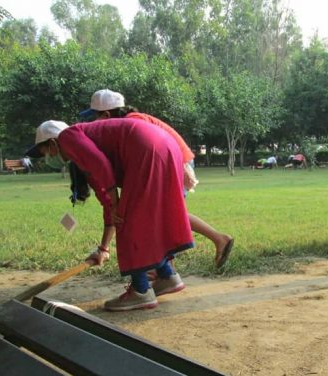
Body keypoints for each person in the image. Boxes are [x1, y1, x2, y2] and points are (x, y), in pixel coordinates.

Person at [27, 119, 193, 311]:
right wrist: (103, 248)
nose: (48, 158)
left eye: (46, 152)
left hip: (146, 148)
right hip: (165, 146)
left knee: (129, 220)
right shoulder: (85, 148)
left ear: (53, 143)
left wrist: (116, 203)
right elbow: (106, 199)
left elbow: (101, 167)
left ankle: (141, 291)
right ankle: (167, 276)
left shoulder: (67, 137)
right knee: (143, 219)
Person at [79, 89, 234, 269]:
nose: (92, 123)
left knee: (162, 215)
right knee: (165, 214)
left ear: (106, 115)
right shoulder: (132, 120)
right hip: (173, 163)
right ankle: (167, 270)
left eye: (94, 117)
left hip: (175, 164)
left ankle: (169, 267)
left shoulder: (132, 122)